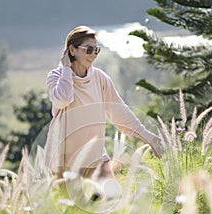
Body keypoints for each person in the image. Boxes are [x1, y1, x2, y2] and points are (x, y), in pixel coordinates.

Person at [44, 25, 162, 181]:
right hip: (65, 161)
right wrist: (66, 69)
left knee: (112, 200)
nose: (93, 55)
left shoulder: (100, 78)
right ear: (72, 50)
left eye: (96, 50)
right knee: (71, 205)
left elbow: (120, 113)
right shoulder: (56, 76)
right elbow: (63, 99)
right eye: (89, 50)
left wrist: (150, 138)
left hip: (96, 157)